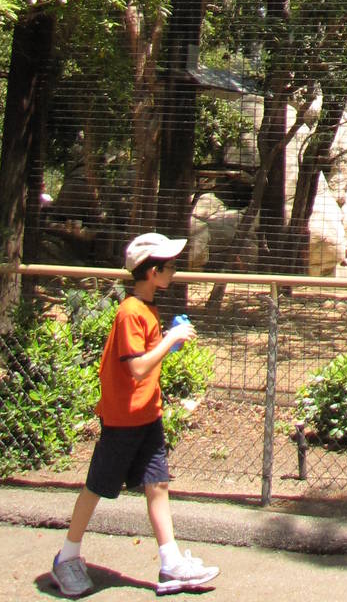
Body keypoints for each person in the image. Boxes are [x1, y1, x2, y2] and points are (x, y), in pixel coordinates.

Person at [50, 232, 220, 598]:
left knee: (157, 485)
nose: (174, 272)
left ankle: (170, 563)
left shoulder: (147, 309)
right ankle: (66, 557)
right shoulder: (130, 312)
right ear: (152, 272)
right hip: (123, 420)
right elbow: (137, 369)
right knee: (96, 487)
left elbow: (146, 361)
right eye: (170, 267)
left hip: (148, 416)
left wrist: (168, 342)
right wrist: (170, 339)